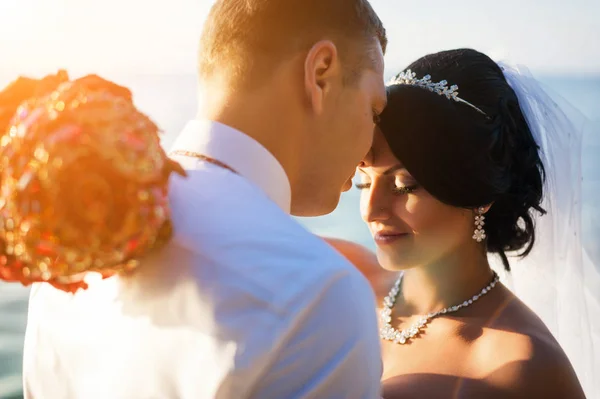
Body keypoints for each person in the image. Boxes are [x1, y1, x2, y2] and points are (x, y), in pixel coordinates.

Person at [16, 0, 389, 398]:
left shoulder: (69, 248)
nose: (370, 149)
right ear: (321, 74)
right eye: (374, 109)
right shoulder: (321, 295)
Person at [355, 49, 592, 398]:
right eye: (364, 182)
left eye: (404, 185)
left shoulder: (523, 365)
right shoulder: (344, 287)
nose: (371, 209)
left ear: (479, 191)